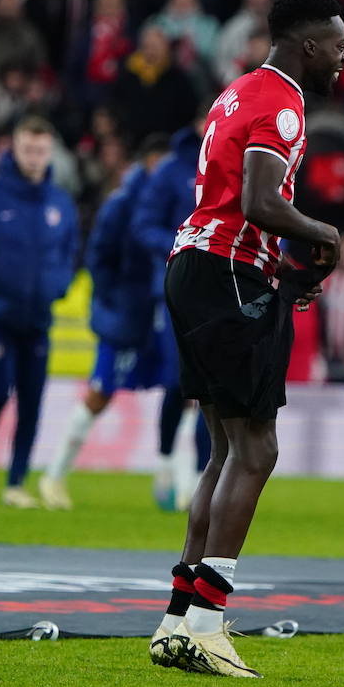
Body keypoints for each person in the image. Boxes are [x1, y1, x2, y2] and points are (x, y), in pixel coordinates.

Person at [148, 0, 344, 679]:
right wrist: (323, 232)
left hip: (197, 264)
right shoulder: (284, 104)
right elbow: (261, 201)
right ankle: (206, 621)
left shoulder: (238, 91)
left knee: (224, 450)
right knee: (256, 450)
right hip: (228, 270)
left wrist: (286, 266)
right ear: (309, 45)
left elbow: (238, 199)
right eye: (340, 46)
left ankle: (178, 619)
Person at [38, 133, 177, 511]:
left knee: (182, 390)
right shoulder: (121, 205)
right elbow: (98, 257)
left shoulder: (169, 205)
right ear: (148, 165)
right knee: (101, 393)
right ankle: (54, 475)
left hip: (162, 312)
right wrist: (114, 300)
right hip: (126, 316)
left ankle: (176, 484)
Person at [0, 115, 79, 509]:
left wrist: (58, 286)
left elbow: (70, 253)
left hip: (38, 317)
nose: (35, 157)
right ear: (14, 148)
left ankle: (15, 484)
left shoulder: (60, 202)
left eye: (41, 150)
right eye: (28, 149)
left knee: (32, 401)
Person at [129, 112, 213, 510]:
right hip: (176, 288)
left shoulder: (238, 162)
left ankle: (198, 479)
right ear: (201, 121)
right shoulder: (170, 170)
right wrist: (186, 246)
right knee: (177, 382)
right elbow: (143, 226)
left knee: (212, 387)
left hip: (219, 291)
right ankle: (164, 464)